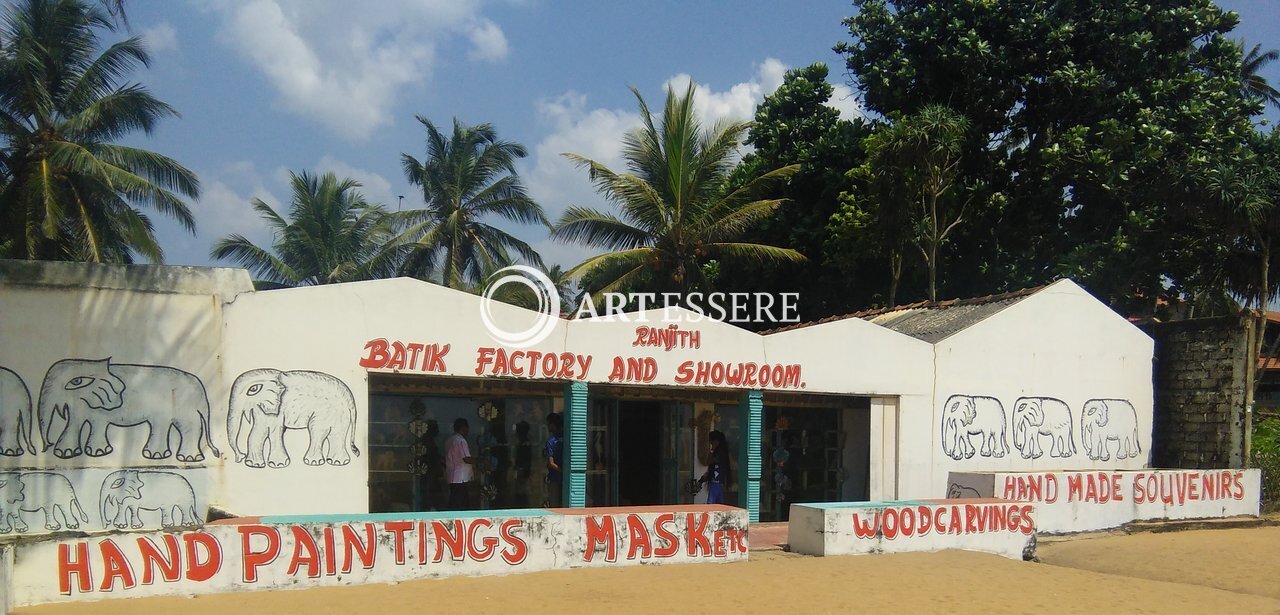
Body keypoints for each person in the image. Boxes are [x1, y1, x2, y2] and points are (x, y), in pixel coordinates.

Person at [444, 418, 477, 510]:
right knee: (459, 504)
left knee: (456, 501)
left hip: (452, 477)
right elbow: (466, 458)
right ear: (464, 428)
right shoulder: (460, 441)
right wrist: (482, 461)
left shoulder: (449, 440)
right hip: (460, 478)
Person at [698, 430, 731, 505]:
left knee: (712, 504)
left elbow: (709, 462)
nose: (711, 445)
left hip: (716, 482)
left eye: (711, 443)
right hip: (719, 482)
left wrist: (711, 451)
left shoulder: (719, 453)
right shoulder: (723, 453)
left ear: (716, 442)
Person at [544, 413, 564, 507]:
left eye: (548, 424)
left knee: (555, 506)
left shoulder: (551, 441)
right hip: (566, 480)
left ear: (552, 425)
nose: (547, 426)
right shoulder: (568, 437)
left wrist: (561, 471)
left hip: (555, 478)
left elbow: (551, 463)